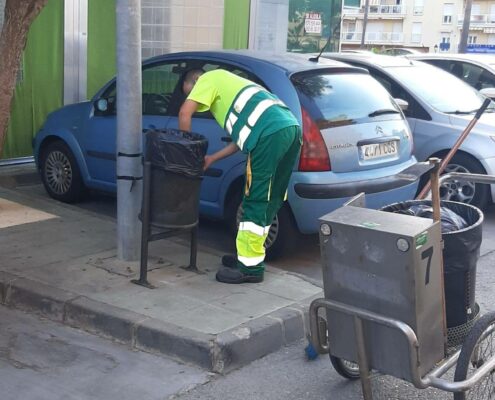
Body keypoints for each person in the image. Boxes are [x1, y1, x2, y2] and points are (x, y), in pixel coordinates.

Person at [179, 68, 301, 284]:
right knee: (271, 197)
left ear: (195, 80)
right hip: (289, 129)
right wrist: (212, 158)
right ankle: (250, 258)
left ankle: (250, 269)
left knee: (255, 197)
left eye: (190, 92)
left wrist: (187, 153)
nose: (193, 100)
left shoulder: (208, 78)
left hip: (269, 135)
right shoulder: (234, 85)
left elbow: (184, 114)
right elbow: (241, 139)